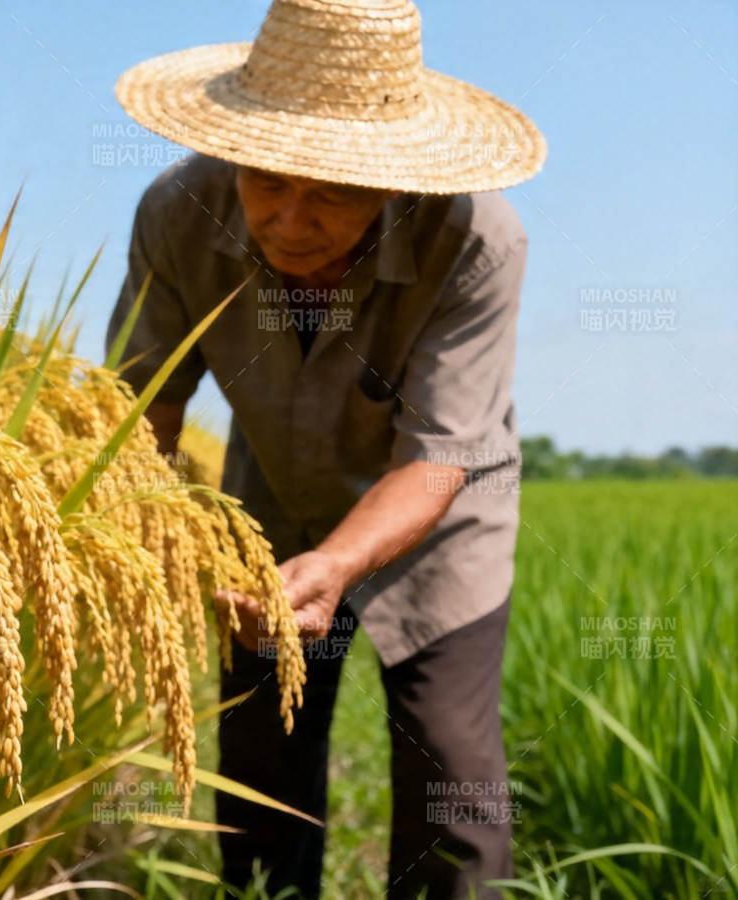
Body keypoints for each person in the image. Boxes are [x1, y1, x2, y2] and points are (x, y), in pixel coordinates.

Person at [105, 0, 546, 897]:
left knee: (453, 785)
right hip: (265, 510)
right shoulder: (178, 215)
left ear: (394, 181)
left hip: (441, 521)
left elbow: (435, 457)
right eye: (266, 180)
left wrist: (340, 561)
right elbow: (142, 405)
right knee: (259, 779)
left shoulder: (474, 240)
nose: (292, 219)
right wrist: (131, 528)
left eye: (333, 191)